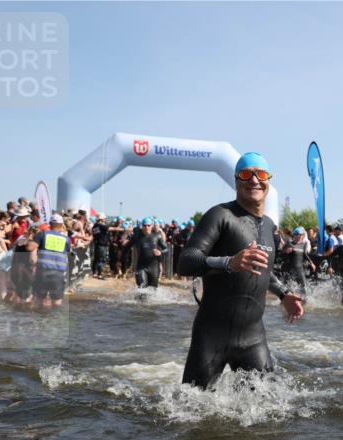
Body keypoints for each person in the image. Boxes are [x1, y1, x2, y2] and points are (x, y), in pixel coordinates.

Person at [177, 151, 304, 388]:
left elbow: (263, 269)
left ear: (268, 181)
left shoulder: (269, 226)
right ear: (236, 181)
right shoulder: (221, 215)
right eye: (246, 174)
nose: (254, 180)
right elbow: (186, 261)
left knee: (268, 404)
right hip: (212, 336)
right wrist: (229, 263)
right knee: (190, 404)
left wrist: (283, 294)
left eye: (261, 174)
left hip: (253, 339)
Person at [28, 214, 71, 309]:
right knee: (57, 302)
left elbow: (30, 248)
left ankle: (39, 317)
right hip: (58, 273)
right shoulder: (66, 239)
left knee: (38, 300)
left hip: (42, 272)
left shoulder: (42, 234)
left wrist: (30, 239)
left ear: (50, 224)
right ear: (62, 225)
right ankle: (52, 317)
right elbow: (68, 253)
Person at [125, 218, 169, 289]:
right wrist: (123, 260)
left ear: (152, 226)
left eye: (148, 225)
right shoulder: (137, 237)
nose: (146, 227)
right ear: (142, 226)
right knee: (142, 286)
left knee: (153, 289)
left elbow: (166, 249)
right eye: (145, 225)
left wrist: (160, 252)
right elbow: (126, 248)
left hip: (154, 267)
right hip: (141, 266)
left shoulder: (157, 236)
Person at [282, 226, 313, 294]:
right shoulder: (289, 243)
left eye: (301, 235)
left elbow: (305, 254)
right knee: (288, 289)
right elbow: (281, 255)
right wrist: (286, 252)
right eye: (298, 235)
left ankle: (304, 300)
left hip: (300, 269)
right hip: (290, 269)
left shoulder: (304, 244)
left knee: (304, 288)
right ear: (294, 235)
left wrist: (311, 263)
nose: (299, 237)